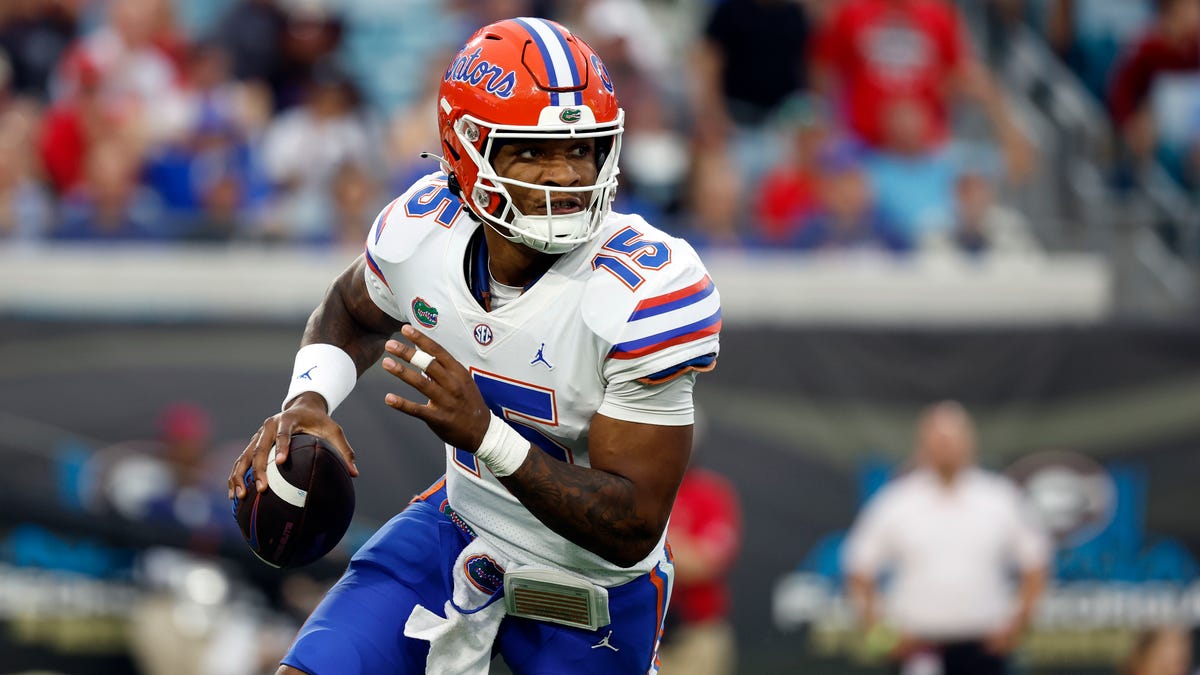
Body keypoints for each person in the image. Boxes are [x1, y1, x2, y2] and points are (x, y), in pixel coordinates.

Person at [227, 16, 721, 675]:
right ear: (467, 147)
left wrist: (487, 434)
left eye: (583, 149)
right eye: (533, 151)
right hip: (457, 528)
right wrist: (310, 397)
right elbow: (352, 307)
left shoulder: (645, 288)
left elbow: (631, 523)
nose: (567, 173)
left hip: (590, 588)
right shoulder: (424, 228)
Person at [842, 401, 1050, 675]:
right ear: (921, 445)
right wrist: (880, 632)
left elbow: (1036, 564)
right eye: (937, 439)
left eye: (951, 439)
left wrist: (1018, 626)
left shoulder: (999, 498)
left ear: (969, 442)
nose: (944, 447)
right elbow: (858, 569)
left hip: (984, 647)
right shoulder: (896, 502)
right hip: (919, 646)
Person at [656, 466, 742, 675]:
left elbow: (705, 563)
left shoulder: (709, 492)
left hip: (693, 636)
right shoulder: (634, 486)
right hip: (636, 629)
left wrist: (656, 545)